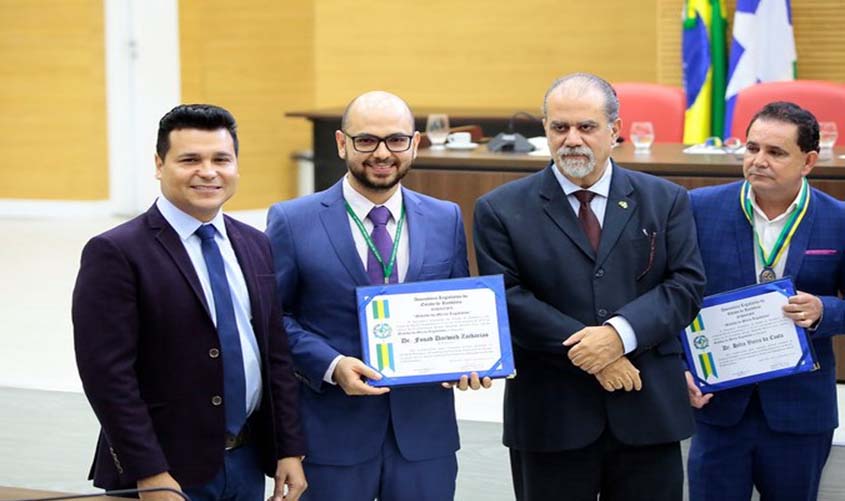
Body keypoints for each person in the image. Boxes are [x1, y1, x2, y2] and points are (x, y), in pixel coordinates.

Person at [473, 73, 706, 501]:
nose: (572, 140)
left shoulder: (666, 199)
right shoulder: (499, 209)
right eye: (559, 127)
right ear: (545, 130)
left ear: (615, 130)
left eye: (586, 127)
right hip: (551, 414)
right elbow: (508, 299)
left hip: (647, 408)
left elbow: (685, 285)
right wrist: (596, 355)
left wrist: (618, 336)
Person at [72, 104, 307, 501]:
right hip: (165, 473)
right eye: (190, 160)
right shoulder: (116, 252)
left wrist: (289, 448)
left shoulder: (255, 244)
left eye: (221, 159)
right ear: (159, 164)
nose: (208, 172)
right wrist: (149, 473)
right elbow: (108, 377)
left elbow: (275, 355)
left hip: (247, 463)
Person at [266, 90, 490, 501]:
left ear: (415, 143)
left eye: (396, 140)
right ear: (341, 143)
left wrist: (468, 359)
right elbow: (272, 318)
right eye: (366, 140)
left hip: (424, 438)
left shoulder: (445, 217)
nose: (382, 153)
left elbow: (458, 306)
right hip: (332, 435)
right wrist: (331, 365)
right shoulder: (292, 220)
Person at [686, 101, 845, 501]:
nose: (758, 161)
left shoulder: (839, 219)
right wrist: (680, 367)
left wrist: (824, 311)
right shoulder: (699, 208)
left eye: (775, 152)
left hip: (800, 409)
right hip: (719, 406)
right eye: (752, 148)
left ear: (808, 161)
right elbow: (672, 293)